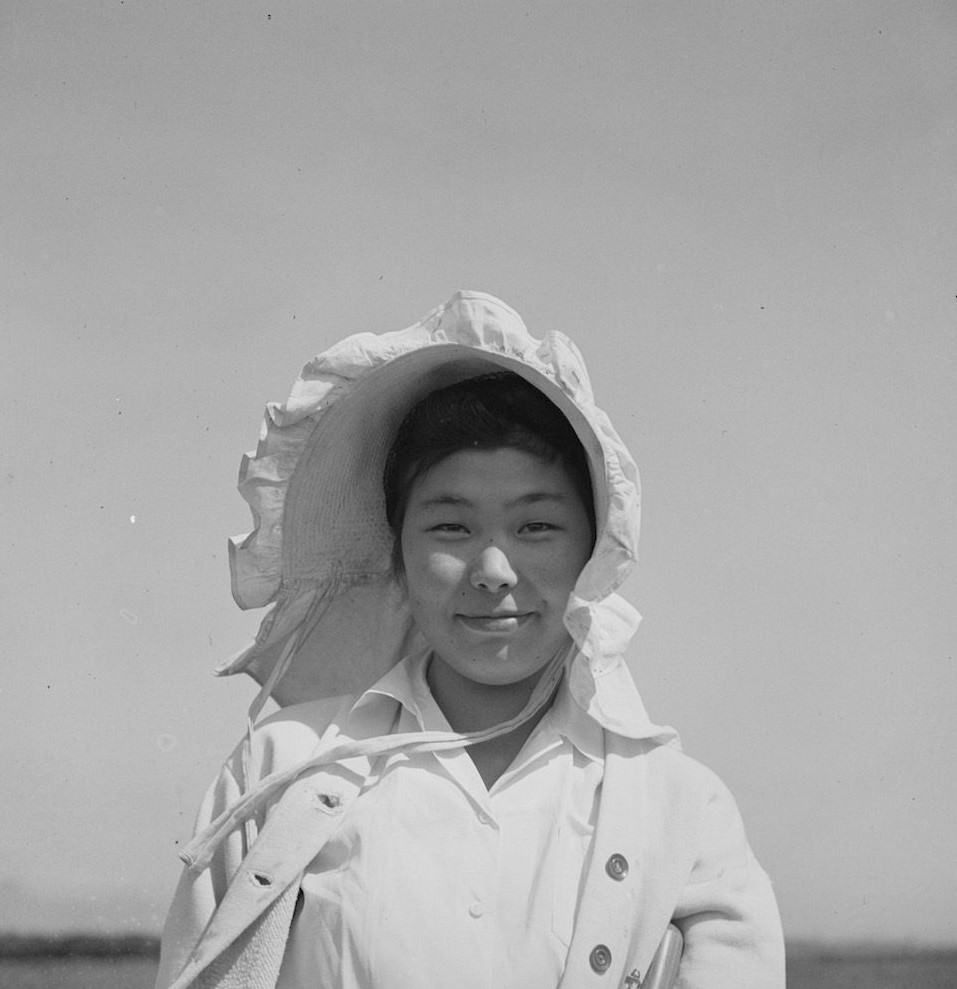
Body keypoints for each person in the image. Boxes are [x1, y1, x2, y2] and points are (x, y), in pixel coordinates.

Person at [154, 291, 785, 989]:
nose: (492, 571)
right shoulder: (282, 768)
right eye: (450, 527)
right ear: (395, 552)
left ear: (595, 554)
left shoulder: (682, 807)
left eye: (536, 527)